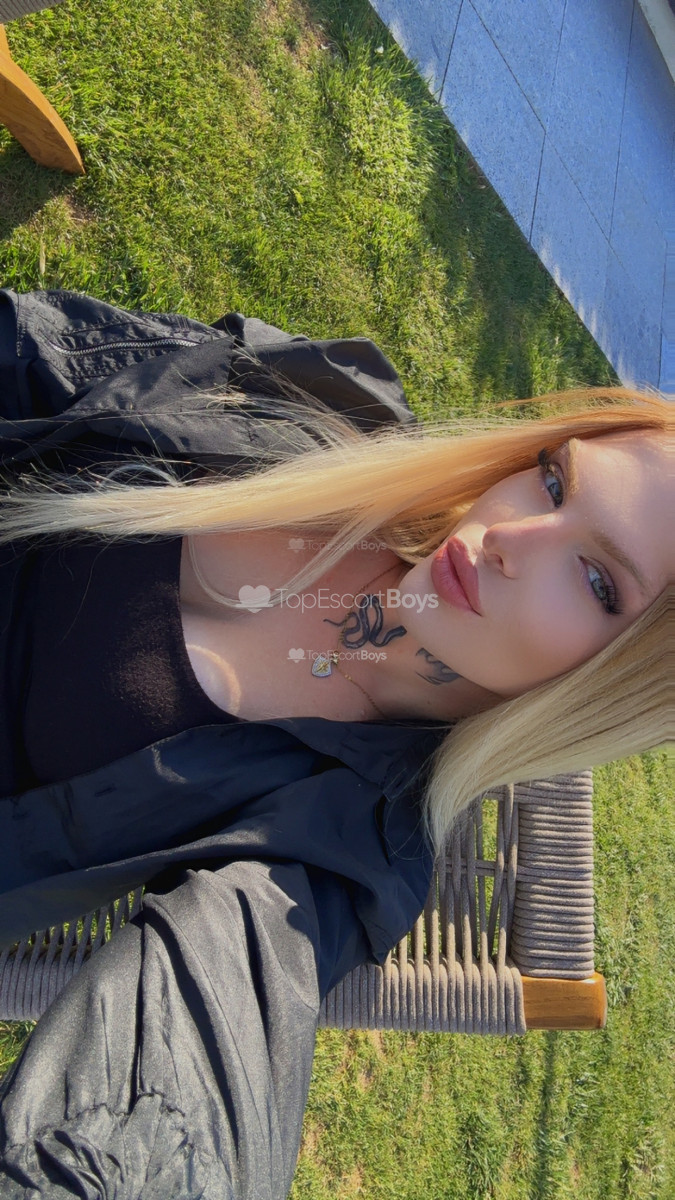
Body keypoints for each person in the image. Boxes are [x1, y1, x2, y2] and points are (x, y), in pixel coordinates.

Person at [0, 288, 671, 1198]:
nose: (510, 536)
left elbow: (194, 1066)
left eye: (595, 581)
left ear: (608, 690)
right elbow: (46, 355)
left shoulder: (346, 844)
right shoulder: (331, 409)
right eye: (553, 481)